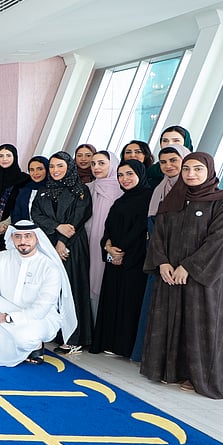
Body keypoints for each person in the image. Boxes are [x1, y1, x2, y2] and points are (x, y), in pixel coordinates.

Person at [142, 153, 223, 399]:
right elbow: (158, 235)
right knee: (170, 320)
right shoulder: (174, 199)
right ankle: (170, 371)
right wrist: (162, 262)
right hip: (170, 275)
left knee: (200, 327)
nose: (191, 174)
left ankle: (199, 378)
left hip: (203, 279)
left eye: (197, 169)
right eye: (186, 169)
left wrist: (189, 267)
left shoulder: (222, 203)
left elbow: (219, 242)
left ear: (209, 171)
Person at [0, 220, 75, 366]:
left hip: (38, 319)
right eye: (18, 236)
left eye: (28, 236)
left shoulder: (49, 267)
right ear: (12, 238)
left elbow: (40, 310)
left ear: (37, 238)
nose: (22, 241)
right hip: (7, 308)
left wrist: (5, 317)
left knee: (25, 339)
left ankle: (35, 346)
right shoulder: (3, 257)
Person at [31, 151, 93, 354]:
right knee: (50, 288)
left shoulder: (81, 189)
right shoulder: (44, 191)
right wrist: (57, 227)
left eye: (60, 166)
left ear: (69, 167)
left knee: (72, 288)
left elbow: (78, 218)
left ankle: (75, 337)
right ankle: (55, 332)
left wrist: (62, 243)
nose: (55, 170)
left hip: (72, 246)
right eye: (52, 166)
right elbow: (36, 215)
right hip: (48, 244)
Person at [132, 144, 189, 363]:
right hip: (160, 259)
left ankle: (171, 364)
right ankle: (150, 358)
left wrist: (180, 262)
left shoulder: (193, 190)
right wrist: (161, 260)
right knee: (154, 307)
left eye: (174, 160)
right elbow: (152, 227)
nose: (168, 166)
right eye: (163, 162)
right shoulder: (160, 190)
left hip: (182, 261)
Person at [94, 160, 153, 357]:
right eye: (120, 175)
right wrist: (108, 246)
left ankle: (124, 347)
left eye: (129, 174)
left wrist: (121, 251)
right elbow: (109, 227)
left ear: (140, 175)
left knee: (129, 302)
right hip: (114, 258)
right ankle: (109, 342)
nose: (124, 179)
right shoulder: (121, 200)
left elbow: (141, 229)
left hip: (135, 260)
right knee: (112, 299)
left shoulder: (148, 197)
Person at [86, 150, 123, 316]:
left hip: (110, 244)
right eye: (93, 164)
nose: (96, 167)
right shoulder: (89, 188)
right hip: (89, 240)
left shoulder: (121, 188)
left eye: (101, 163)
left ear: (112, 165)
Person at [10, 156, 49, 224]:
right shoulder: (24, 190)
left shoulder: (53, 190)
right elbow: (16, 214)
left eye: (39, 169)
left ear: (47, 169)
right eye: (32, 170)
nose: (35, 173)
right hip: (24, 228)